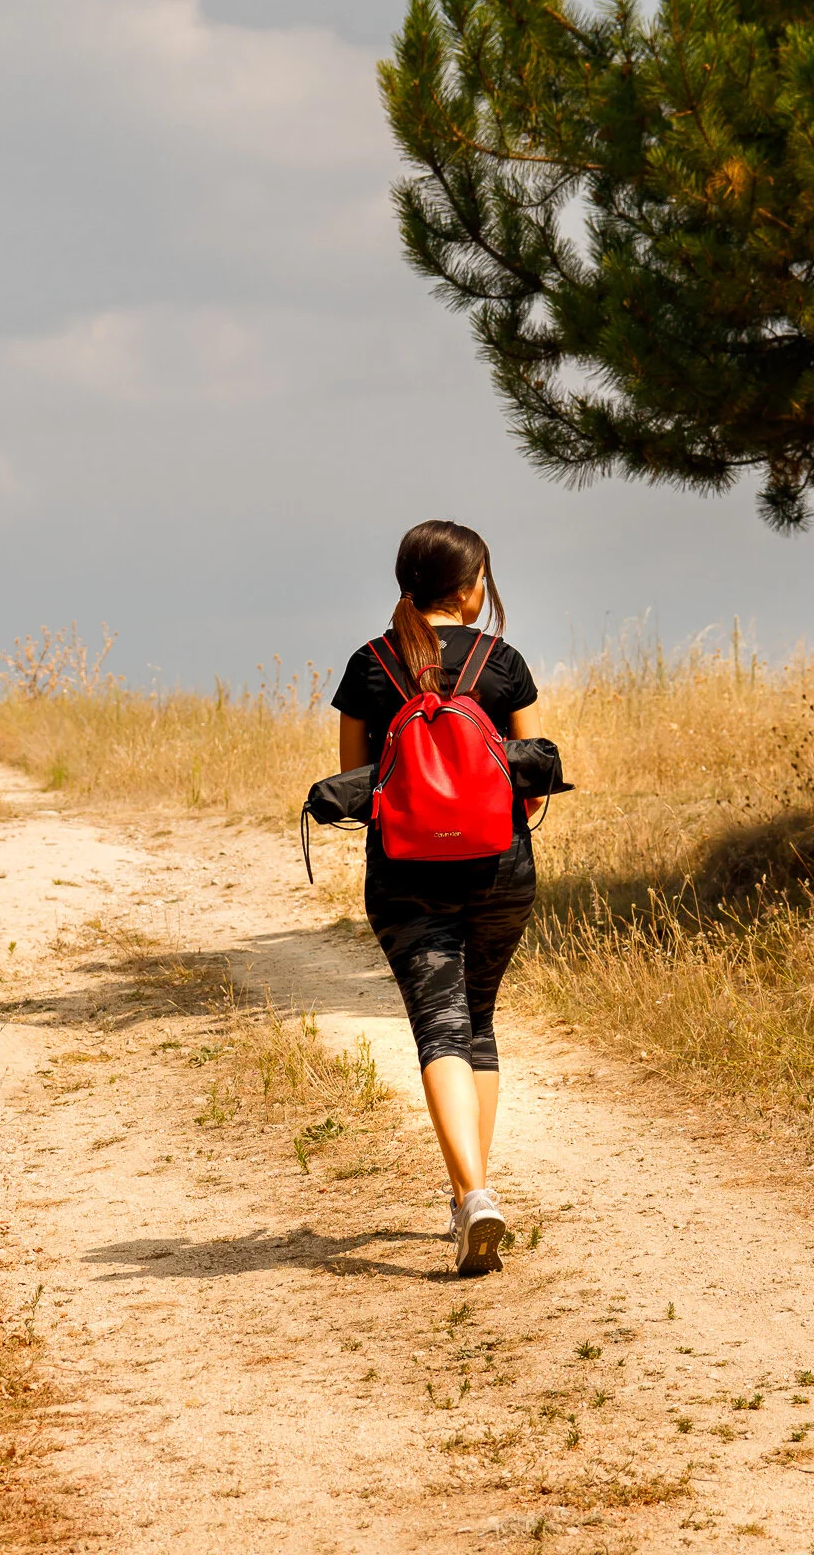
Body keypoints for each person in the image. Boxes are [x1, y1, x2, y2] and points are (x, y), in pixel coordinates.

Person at [330, 519, 542, 1276]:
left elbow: (359, 789)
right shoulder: (502, 661)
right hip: (500, 871)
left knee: (438, 1030)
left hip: (405, 876)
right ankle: (468, 1198)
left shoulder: (369, 664)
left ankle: (473, 1195)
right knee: (477, 1021)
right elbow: (532, 785)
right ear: (470, 587)